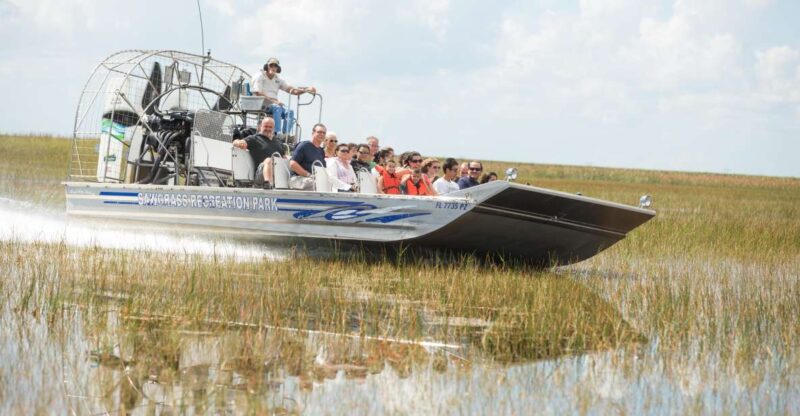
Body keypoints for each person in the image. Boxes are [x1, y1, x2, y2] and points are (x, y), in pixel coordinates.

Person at [251, 58, 316, 135]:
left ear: (277, 68)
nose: (273, 67)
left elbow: (293, 90)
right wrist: (275, 101)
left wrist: (306, 90)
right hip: (261, 104)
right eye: (271, 65)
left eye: (275, 66)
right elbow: (258, 93)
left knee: (290, 111)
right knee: (277, 108)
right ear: (267, 66)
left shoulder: (278, 79)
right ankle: (277, 133)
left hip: (274, 104)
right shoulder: (260, 76)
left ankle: (286, 134)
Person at [231, 117, 285, 189]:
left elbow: (284, 158)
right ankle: (268, 184)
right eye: (266, 126)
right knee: (268, 160)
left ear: (273, 128)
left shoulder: (278, 142)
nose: (268, 129)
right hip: (260, 175)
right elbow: (236, 142)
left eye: (270, 127)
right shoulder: (254, 139)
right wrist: (238, 142)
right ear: (261, 126)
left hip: (277, 176)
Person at [289, 123, 327, 189]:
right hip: (298, 179)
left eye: (324, 133)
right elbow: (292, 164)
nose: (322, 134)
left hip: (313, 180)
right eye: (319, 132)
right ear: (313, 133)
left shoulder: (321, 151)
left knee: (329, 184)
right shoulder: (304, 146)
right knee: (317, 184)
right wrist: (309, 175)